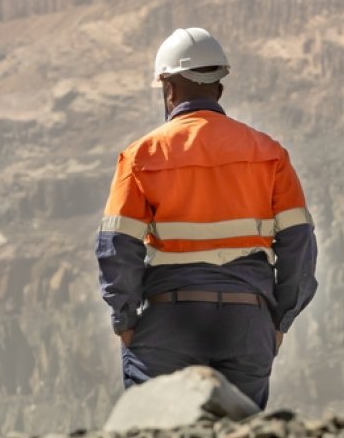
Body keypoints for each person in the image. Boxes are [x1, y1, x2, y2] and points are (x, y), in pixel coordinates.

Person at [95, 27, 319, 408]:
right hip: (247, 323)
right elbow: (299, 246)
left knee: (158, 430)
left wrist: (126, 320)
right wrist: (279, 321)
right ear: (218, 87)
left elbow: (118, 249)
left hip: (170, 320)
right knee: (240, 432)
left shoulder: (141, 156)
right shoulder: (269, 153)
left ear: (168, 87)